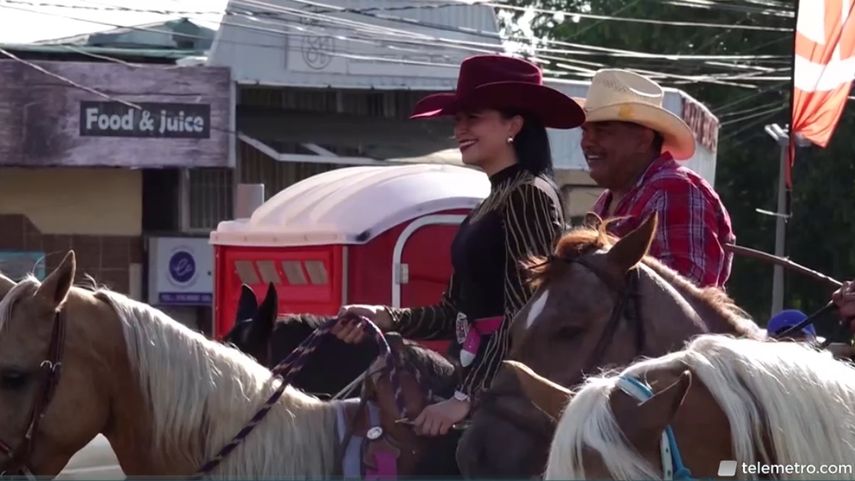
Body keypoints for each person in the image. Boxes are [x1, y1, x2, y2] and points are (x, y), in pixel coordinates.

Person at [331, 54, 584, 437]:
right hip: (478, 380)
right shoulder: (491, 202)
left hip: (511, 397)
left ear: (513, 125)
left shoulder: (530, 194)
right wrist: (383, 316)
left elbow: (525, 311)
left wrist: (467, 397)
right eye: (458, 120)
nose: (460, 129)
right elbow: (454, 312)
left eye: (473, 118)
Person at [581, 69, 735, 288]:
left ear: (644, 140)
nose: (587, 142)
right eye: (584, 131)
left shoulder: (674, 191)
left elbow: (688, 297)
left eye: (603, 130)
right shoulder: (608, 201)